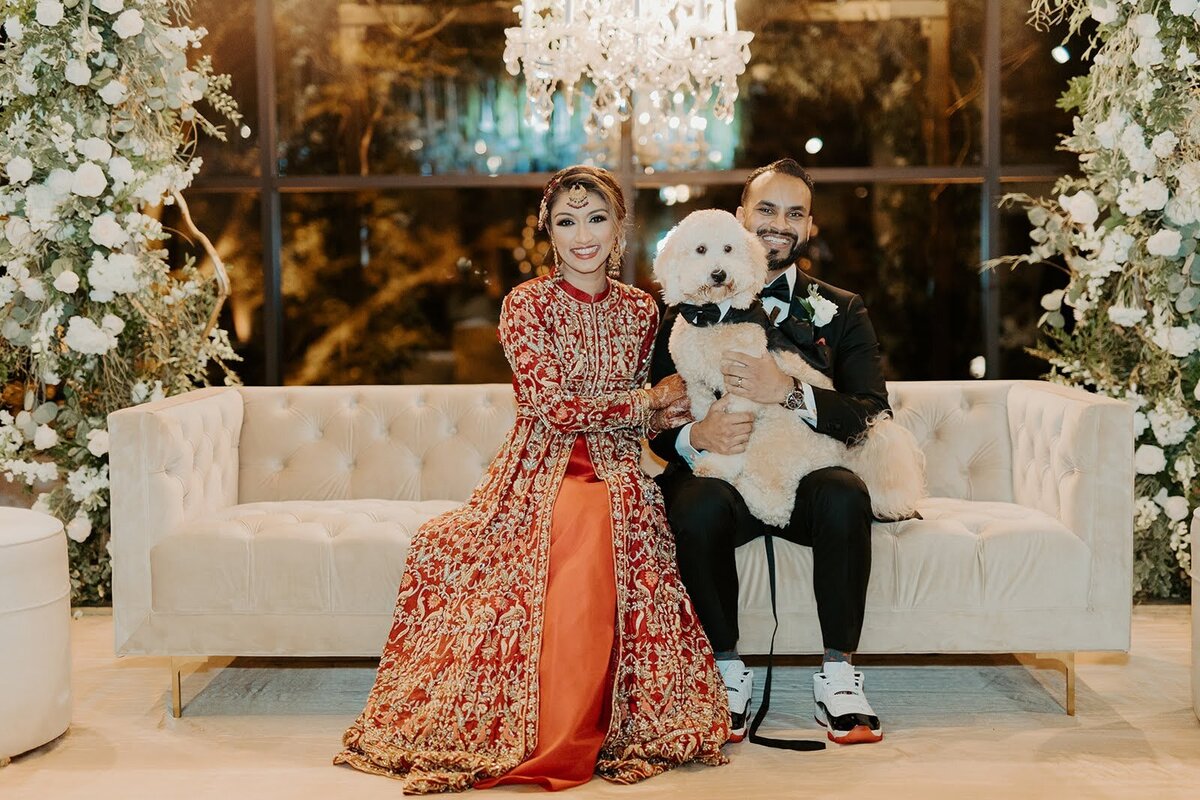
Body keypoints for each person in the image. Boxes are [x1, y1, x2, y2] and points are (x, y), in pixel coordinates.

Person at [335, 165, 729, 793]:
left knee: (613, 518)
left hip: (620, 467)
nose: (582, 235)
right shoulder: (526, 304)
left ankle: (599, 722)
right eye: (566, 221)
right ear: (548, 230)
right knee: (579, 521)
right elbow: (554, 406)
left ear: (620, 227)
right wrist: (645, 403)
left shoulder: (642, 312)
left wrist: (676, 408)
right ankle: (555, 733)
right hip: (540, 470)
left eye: (596, 219)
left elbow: (654, 406)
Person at [649, 158, 889, 745]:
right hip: (725, 482)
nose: (780, 223)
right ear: (739, 218)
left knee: (843, 492)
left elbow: (870, 412)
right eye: (766, 210)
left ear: (809, 227)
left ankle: (838, 676)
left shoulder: (843, 308)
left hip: (803, 474)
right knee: (695, 500)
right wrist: (692, 437)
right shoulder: (677, 312)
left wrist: (788, 391)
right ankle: (725, 671)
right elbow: (651, 414)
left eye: (795, 213)